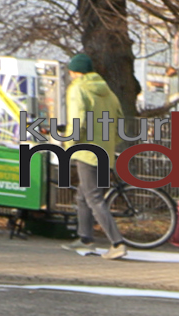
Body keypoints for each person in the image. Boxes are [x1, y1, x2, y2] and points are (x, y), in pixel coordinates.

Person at [62, 54, 126, 261]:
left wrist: (69, 144)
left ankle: (117, 243)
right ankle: (85, 237)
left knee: (93, 198)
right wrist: (111, 144)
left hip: (87, 150)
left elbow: (77, 119)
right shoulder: (109, 92)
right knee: (83, 195)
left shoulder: (78, 89)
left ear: (74, 72)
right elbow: (119, 121)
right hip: (104, 151)